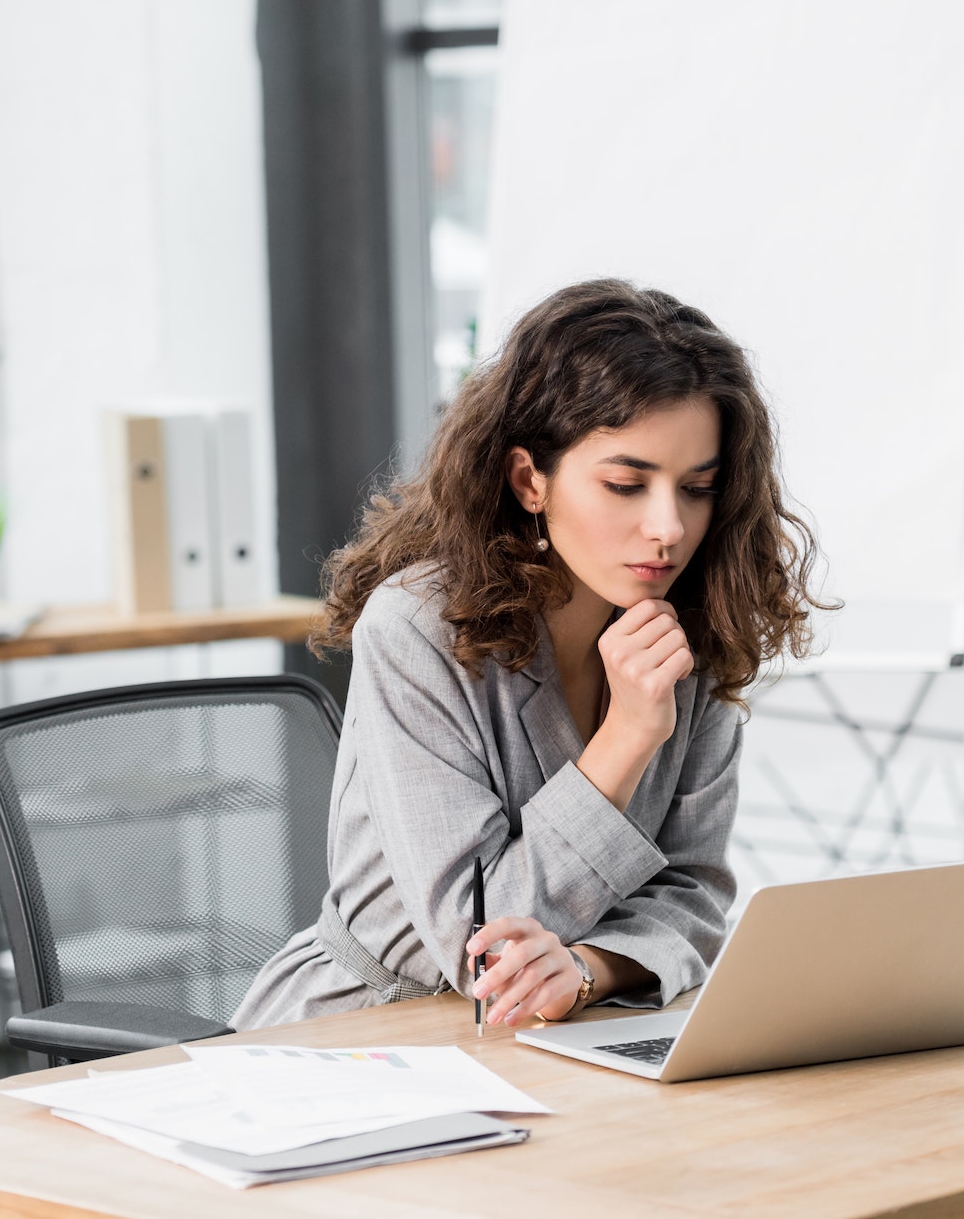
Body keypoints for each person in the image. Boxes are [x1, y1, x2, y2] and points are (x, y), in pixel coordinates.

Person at [232, 278, 828, 1030]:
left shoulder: (692, 631)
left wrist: (587, 970)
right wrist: (626, 738)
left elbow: (695, 894)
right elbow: (482, 944)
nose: (668, 526)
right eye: (625, 483)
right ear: (529, 479)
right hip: (372, 1035)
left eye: (698, 487)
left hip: (583, 1026)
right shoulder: (416, 631)